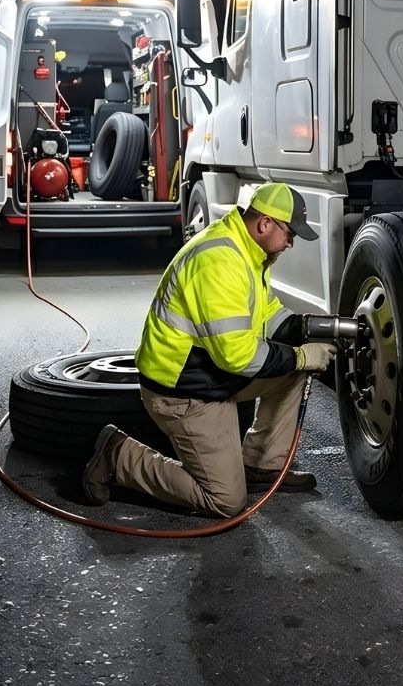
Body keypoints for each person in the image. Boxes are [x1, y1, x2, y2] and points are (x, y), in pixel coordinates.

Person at [81, 182, 337, 517]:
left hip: (211, 374)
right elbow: (239, 356)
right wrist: (303, 355)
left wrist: (310, 329)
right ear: (265, 224)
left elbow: (269, 314)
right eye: (290, 234)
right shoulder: (221, 261)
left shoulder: (248, 251)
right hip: (184, 391)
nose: (290, 243)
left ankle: (260, 464)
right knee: (226, 502)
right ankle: (118, 455)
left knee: (296, 368)